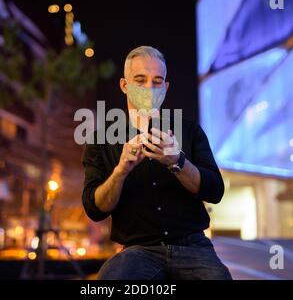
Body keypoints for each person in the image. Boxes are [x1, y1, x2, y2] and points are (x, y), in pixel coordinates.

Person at [82, 46, 231, 280]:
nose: (149, 89)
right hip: (137, 251)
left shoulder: (189, 131)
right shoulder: (101, 141)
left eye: (157, 81)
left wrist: (178, 161)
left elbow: (215, 191)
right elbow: (94, 209)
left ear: (165, 87)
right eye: (140, 80)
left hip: (193, 246)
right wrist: (120, 171)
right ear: (124, 85)